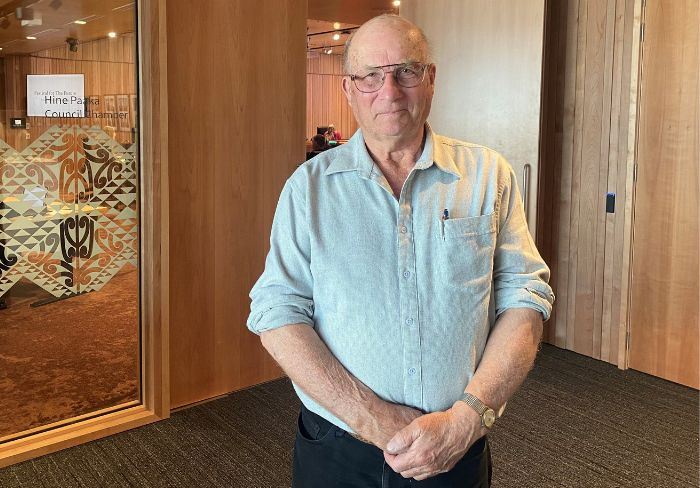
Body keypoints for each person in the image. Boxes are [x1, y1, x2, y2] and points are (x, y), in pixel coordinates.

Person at [248, 14, 554, 488]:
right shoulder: (308, 189)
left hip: (458, 442)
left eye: (405, 71)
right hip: (339, 446)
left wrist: (468, 417)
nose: (388, 92)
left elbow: (525, 298)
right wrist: (372, 417)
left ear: (430, 78)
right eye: (370, 76)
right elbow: (277, 314)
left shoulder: (488, 176)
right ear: (348, 89)